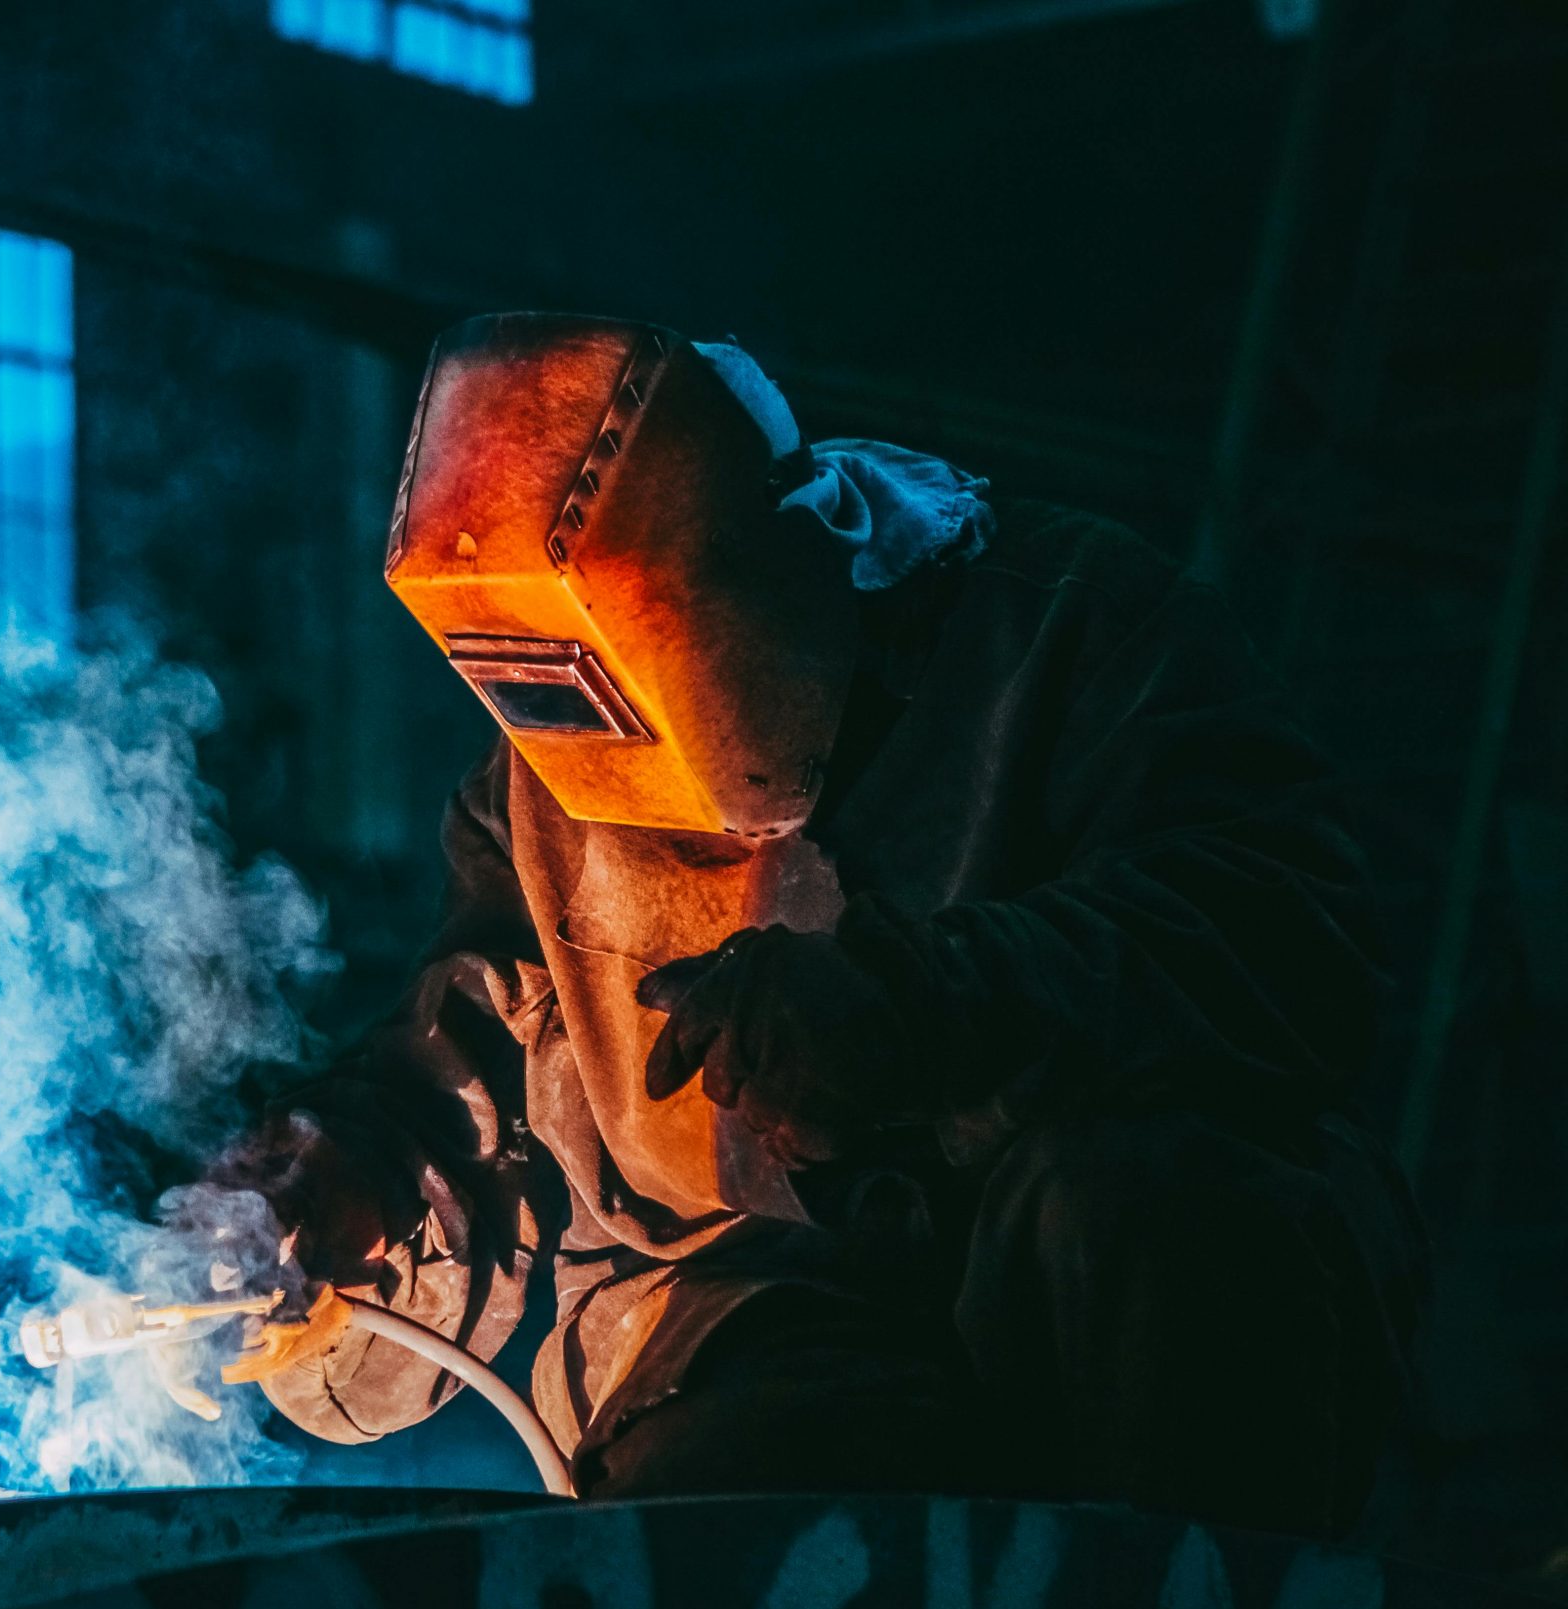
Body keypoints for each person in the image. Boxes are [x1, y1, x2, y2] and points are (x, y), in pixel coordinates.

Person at [215, 312, 1424, 1536]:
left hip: (1082, 1272)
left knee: (1144, 1216)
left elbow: (1288, 928)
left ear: (775, 563)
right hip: (764, 1307)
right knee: (720, 1510)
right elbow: (477, 1091)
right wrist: (343, 1194)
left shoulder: (1070, 627)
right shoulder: (538, 771)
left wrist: (931, 1004)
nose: (615, 771)